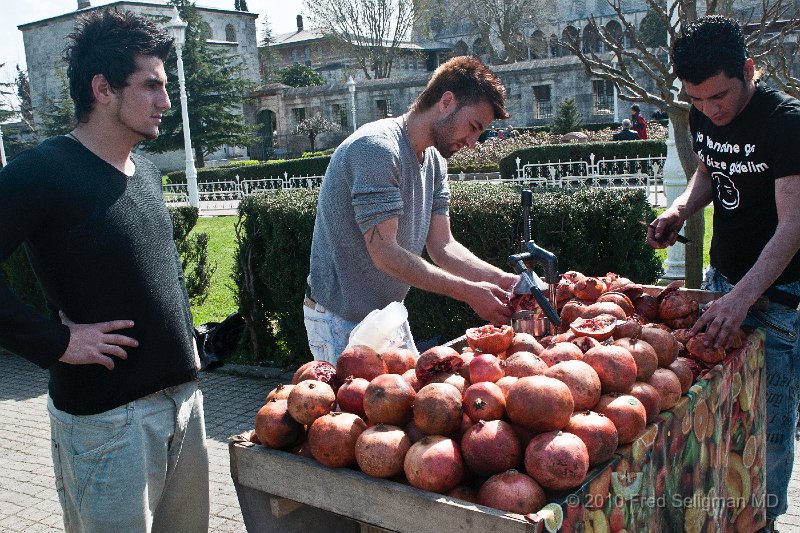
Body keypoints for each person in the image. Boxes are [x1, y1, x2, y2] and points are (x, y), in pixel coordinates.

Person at [0, 9, 209, 532]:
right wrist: (54, 343)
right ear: (102, 88)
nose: (166, 101)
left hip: (184, 407)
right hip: (108, 426)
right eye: (151, 86)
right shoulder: (41, 171)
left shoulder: (144, 172)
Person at [648, 15, 800, 531]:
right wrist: (679, 211)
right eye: (698, 100)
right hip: (719, 285)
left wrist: (743, 300)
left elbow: (793, 228)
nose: (711, 111)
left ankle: (767, 524)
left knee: (767, 434)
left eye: (721, 97)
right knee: (714, 419)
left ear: (749, 70)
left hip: (777, 300)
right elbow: (710, 170)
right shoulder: (701, 114)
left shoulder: (787, 123)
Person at [304, 56, 519, 363]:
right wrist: (470, 292)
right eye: (473, 127)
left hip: (388, 314)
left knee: (416, 403)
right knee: (350, 411)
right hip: (339, 318)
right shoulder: (376, 149)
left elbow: (444, 247)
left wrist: (504, 280)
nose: (473, 142)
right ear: (446, 102)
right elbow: (385, 253)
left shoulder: (435, 161)